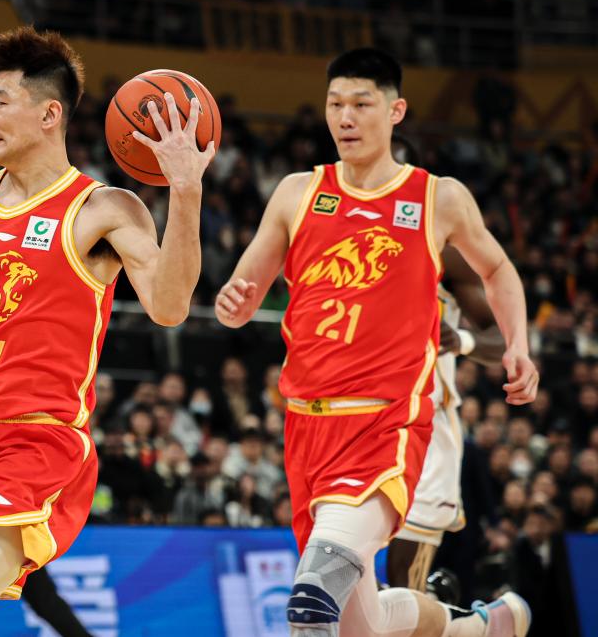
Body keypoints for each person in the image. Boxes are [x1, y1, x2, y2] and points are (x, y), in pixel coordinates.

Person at [0, 26, 213, 636]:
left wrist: (186, 190)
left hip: (38, 442)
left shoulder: (104, 208)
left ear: (49, 113)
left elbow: (170, 306)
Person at [215, 48, 535, 637]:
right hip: (306, 430)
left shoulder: (437, 197)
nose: (345, 117)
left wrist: (517, 343)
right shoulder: (297, 192)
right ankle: (477, 629)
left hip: (384, 426)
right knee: (362, 624)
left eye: (361, 104)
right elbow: (243, 297)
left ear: (395, 111)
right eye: (335, 104)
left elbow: (497, 269)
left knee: (312, 604)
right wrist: (231, 303)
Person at [387, 246, 505, 591]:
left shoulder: (446, 257)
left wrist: (462, 340)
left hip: (427, 424)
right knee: (351, 566)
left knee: (403, 574)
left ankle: (467, 618)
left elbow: (501, 338)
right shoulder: (357, 246)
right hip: (365, 415)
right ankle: (477, 621)